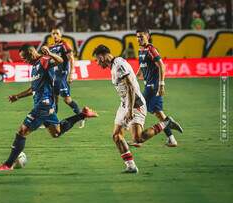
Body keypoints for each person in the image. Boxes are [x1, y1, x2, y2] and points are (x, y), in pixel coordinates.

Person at [0, 44, 98, 171]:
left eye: (24, 58)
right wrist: (17, 96)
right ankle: (83, 114)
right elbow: (33, 89)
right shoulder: (34, 68)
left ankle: (8, 165)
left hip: (44, 104)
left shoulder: (43, 60)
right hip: (43, 105)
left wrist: (49, 53)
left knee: (22, 132)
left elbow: (60, 60)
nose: (24, 61)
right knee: (56, 132)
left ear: (31, 53)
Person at [93, 45, 183, 173]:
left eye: (97, 59)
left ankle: (166, 123)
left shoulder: (119, 65)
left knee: (138, 139)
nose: (97, 63)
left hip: (135, 104)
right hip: (124, 104)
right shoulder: (114, 65)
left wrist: (129, 110)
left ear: (102, 56)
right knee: (117, 135)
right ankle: (131, 166)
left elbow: (130, 87)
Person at [136, 28, 183, 147]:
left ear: (148, 36)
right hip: (148, 85)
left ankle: (137, 138)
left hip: (153, 86)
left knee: (138, 108)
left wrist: (162, 84)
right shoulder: (141, 50)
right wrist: (134, 77)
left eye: (141, 36)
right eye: (137, 37)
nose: (139, 39)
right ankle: (172, 139)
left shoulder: (151, 49)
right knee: (158, 113)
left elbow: (162, 66)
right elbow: (142, 66)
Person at [48, 28, 85, 128]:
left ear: (60, 35)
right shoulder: (50, 47)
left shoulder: (64, 44)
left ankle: (81, 116)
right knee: (54, 99)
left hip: (62, 76)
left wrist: (72, 73)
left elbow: (71, 59)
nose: (55, 35)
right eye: (53, 33)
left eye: (57, 33)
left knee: (67, 100)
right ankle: (53, 122)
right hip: (54, 77)